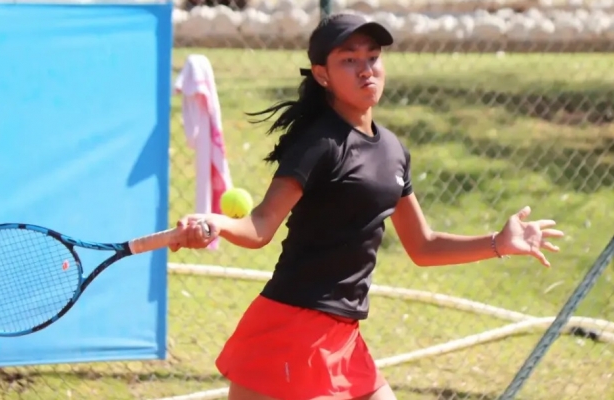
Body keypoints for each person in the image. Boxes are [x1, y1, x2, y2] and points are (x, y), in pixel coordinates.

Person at [169, 12, 565, 400]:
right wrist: (214, 223)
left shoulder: (392, 149)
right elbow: (260, 227)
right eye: (349, 60)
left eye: (372, 57)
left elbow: (423, 246)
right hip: (294, 329)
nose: (366, 70)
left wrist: (498, 241)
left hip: (344, 334)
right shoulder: (318, 143)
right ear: (322, 74)